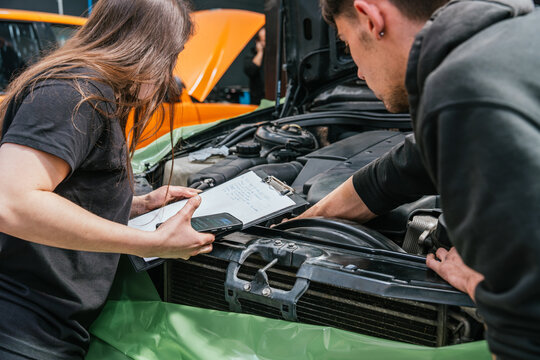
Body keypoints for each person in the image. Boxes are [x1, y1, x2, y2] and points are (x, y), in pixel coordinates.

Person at [297, 0, 540, 358]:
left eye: (347, 45)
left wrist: (488, 289)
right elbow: (406, 167)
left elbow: (527, 335)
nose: (359, 74)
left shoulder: (465, 89)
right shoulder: (513, 42)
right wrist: (306, 219)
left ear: (371, 18)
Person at [0, 0, 215, 359]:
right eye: (171, 55)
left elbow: (62, 193)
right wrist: (152, 244)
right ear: (148, 48)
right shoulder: (74, 92)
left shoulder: (85, 89)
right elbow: (12, 201)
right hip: (20, 330)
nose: (168, 72)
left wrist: (131, 206)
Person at [243, 27, 266, 105]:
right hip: (257, 99)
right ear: (258, 41)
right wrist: (260, 52)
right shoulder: (251, 55)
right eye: (264, 40)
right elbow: (250, 70)